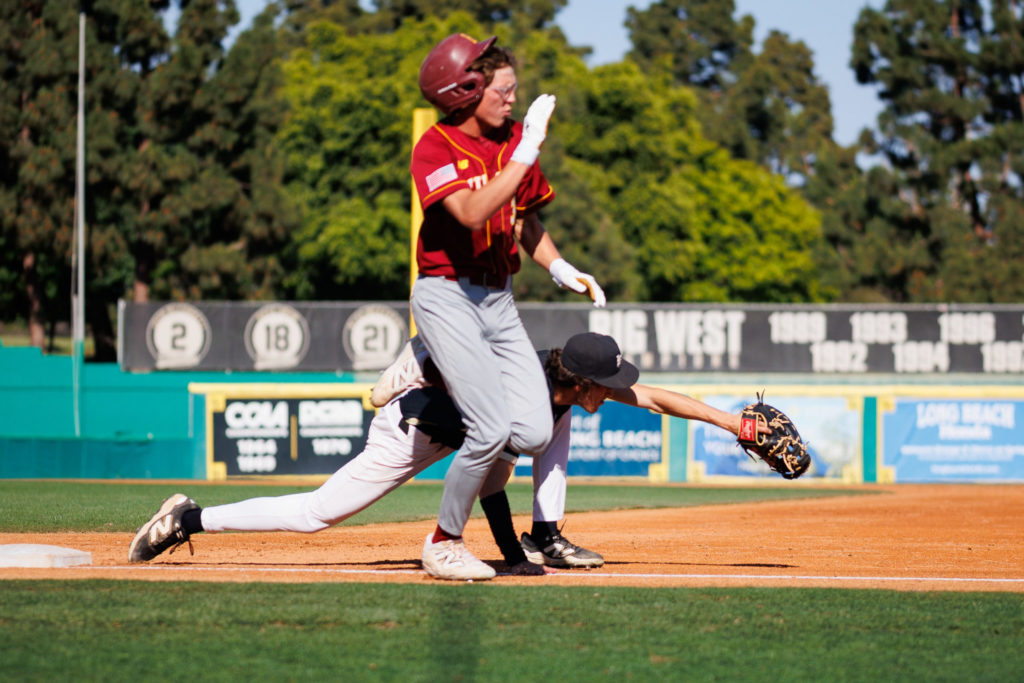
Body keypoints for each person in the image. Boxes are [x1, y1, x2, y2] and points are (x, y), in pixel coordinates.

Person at [129, 333, 765, 582]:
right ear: (579, 378)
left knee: (550, 428)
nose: (617, 388)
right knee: (317, 514)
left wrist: (732, 422)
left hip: (462, 435)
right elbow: (485, 479)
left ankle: (546, 537)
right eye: (607, 382)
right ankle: (188, 519)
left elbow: (651, 397)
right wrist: (509, 558)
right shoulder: (517, 385)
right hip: (411, 430)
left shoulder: (558, 392)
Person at [409, 33, 605, 580]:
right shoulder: (435, 146)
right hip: (447, 293)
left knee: (536, 432)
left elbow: (525, 219)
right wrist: (523, 153)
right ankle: (444, 541)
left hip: (497, 299)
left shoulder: (516, 138)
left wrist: (559, 266)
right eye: (503, 89)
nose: (513, 97)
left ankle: (427, 365)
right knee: (490, 430)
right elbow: (472, 212)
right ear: (464, 93)